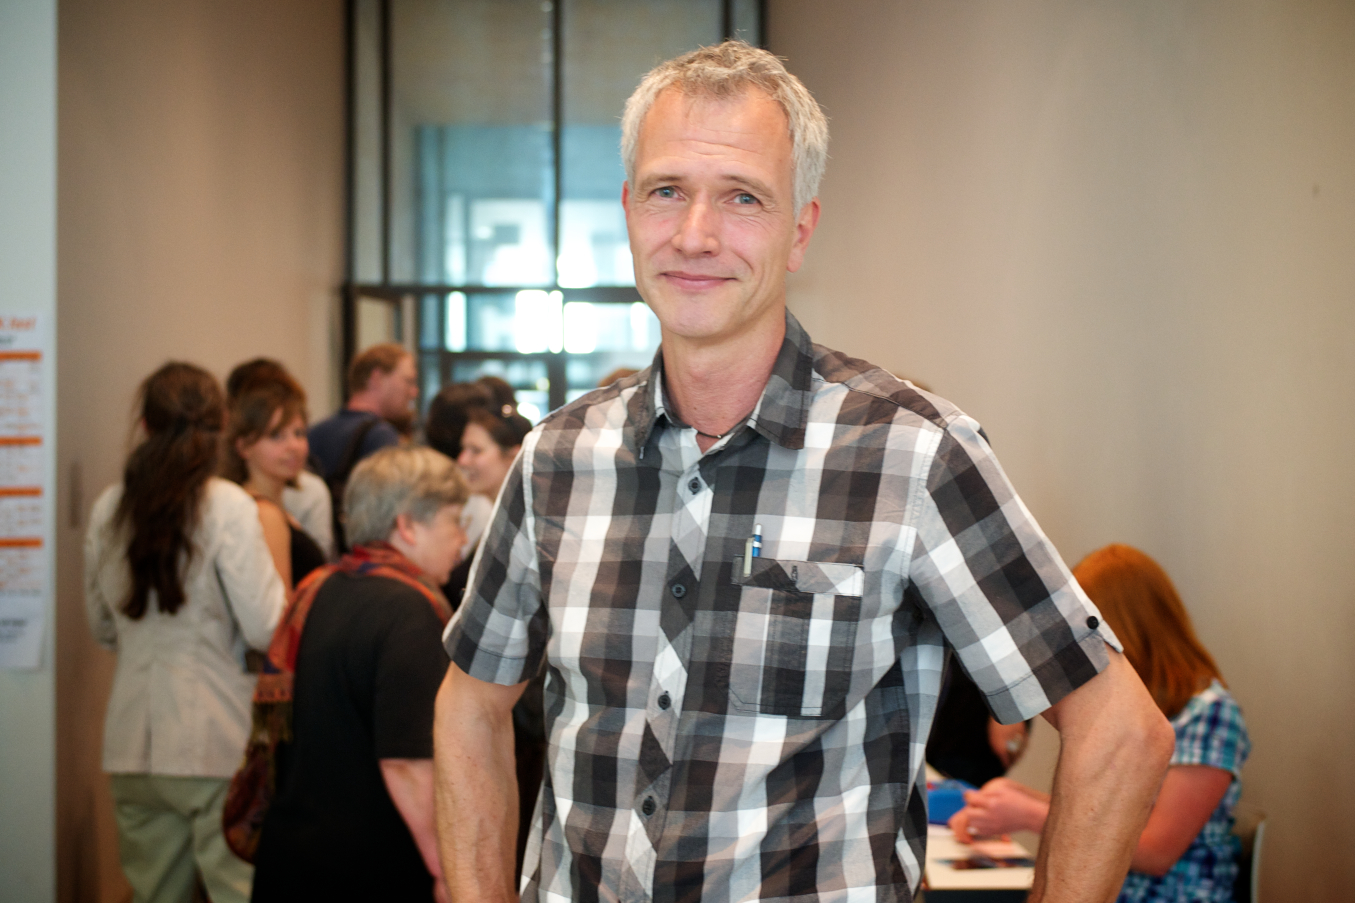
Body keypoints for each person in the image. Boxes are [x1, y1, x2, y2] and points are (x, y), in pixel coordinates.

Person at [434, 40, 1174, 903]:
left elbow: (1120, 731)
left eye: (742, 197)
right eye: (666, 190)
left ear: (800, 229)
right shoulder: (556, 460)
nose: (694, 234)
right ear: (629, 208)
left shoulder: (911, 455)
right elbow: (469, 704)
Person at [84, 362, 287, 903]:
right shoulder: (228, 505)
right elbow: (266, 625)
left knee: (155, 895)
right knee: (236, 893)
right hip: (214, 736)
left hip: (131, 742)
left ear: (145, 426)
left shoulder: (109, 507)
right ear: (220, 426)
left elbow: (102, 626)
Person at [949, 544, 1251, 902]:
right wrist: (1019, 799)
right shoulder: (1141, 705)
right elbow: (1116, 813)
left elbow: (1157, 852)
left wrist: (1029, 814)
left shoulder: (1211, 713)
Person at [249, 446, 468, 902]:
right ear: (407, 525)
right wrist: (448, 870)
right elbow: (406, 763)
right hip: (366, 868)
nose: (462, 540)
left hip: (292, 855)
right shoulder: (408, 611)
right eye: (454, 520)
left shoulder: (320, 587)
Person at [222, 369, 327, 590]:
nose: (293, 446)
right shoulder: (263, 513)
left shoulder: (272, 506)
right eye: (277, 436)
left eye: (299, 434)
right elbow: (281, 604)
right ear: (243, 446)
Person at [307, 343, 419, 549]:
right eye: (408, 381)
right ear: (376, 378)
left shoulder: (314, 432)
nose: (414, 392)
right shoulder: (382, 435)